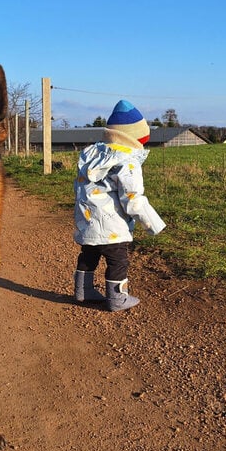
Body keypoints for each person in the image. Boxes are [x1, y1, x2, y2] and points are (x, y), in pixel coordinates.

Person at [72, 100, 166, 311]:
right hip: (113, 227)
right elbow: (133, 198)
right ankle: (116, 299)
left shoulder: (91, 155)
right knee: (118, 261)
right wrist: (153, 224)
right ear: (136, 137)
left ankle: (82, 291)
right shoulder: (128, 162)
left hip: (88, 220)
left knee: (89, 255)